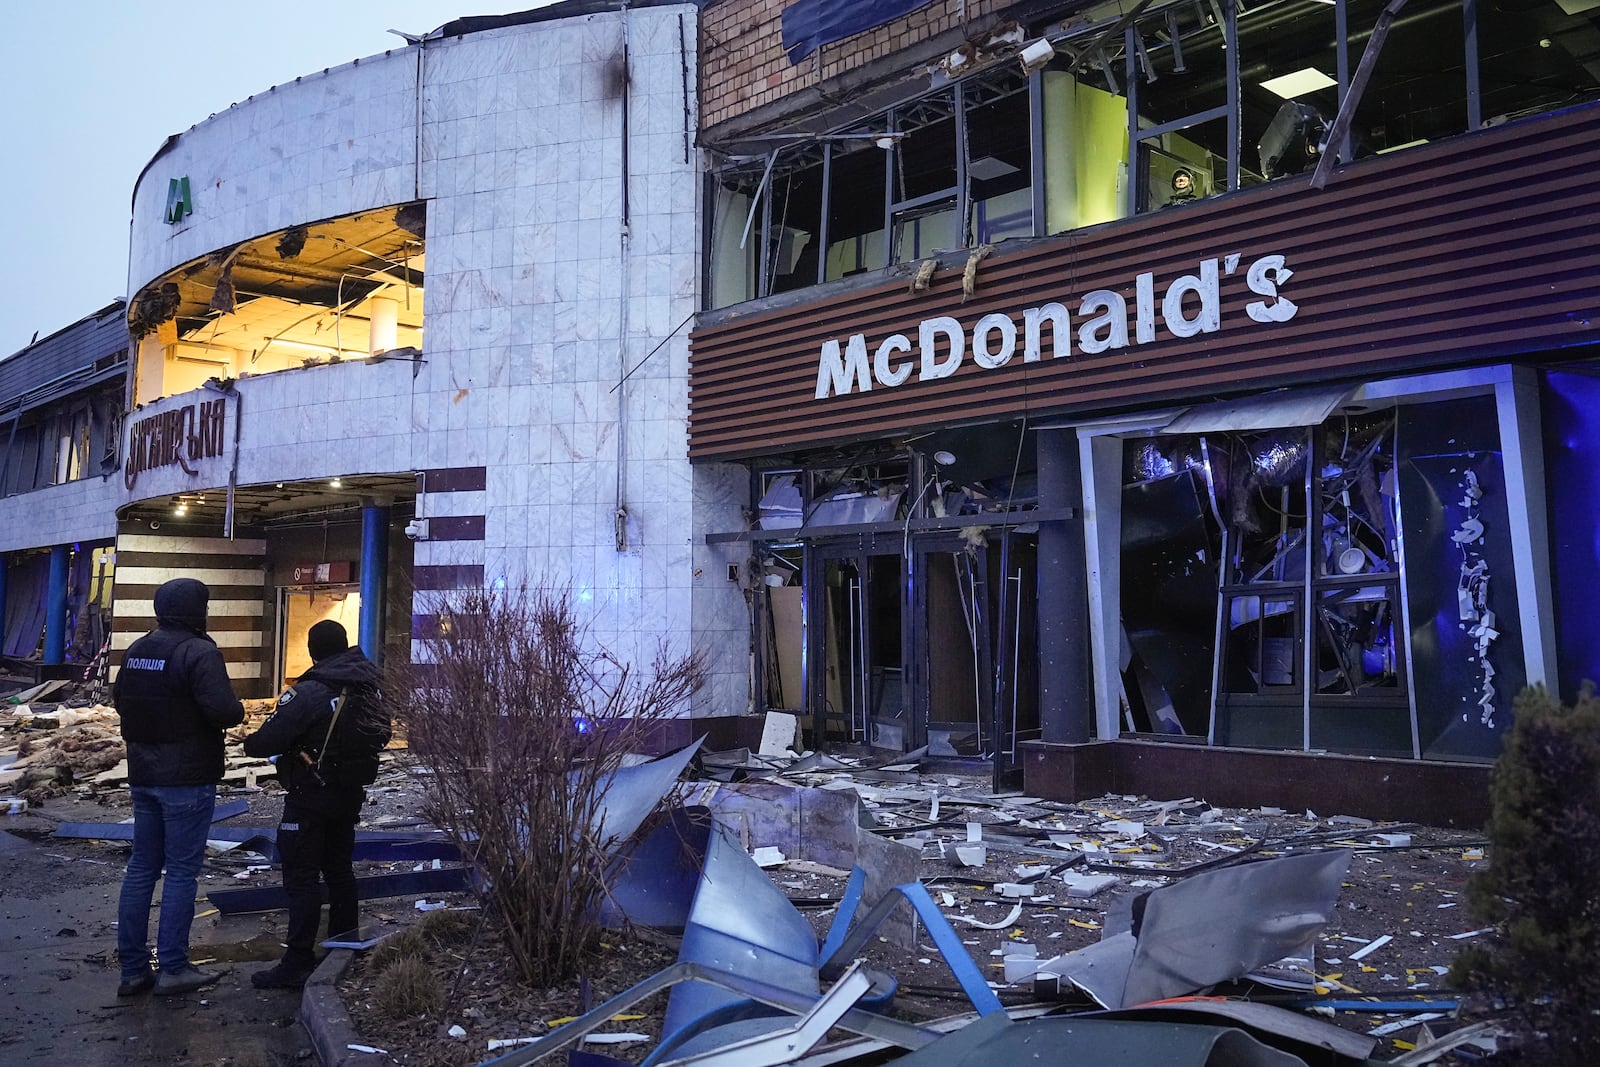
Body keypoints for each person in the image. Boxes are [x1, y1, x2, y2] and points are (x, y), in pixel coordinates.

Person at [115, 577, 245, 997]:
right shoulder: (198, 651)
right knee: (182, 873)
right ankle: (172, 967)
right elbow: (224, 711)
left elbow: (121, 700)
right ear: (197, 609)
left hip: (144, 773)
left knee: (141, 869)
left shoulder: (139, 649)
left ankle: (133, 970)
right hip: (186, 777)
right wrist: (238, 707)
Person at [244, 620, 386, 989]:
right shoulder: (369, 688)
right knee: (339, 869)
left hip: (310, 795)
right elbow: (383, 733)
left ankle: (297, 961)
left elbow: (263, 741)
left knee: (301, 877)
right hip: (349, 792)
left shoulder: (308, 691)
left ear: (313, 651)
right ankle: (342, 944)